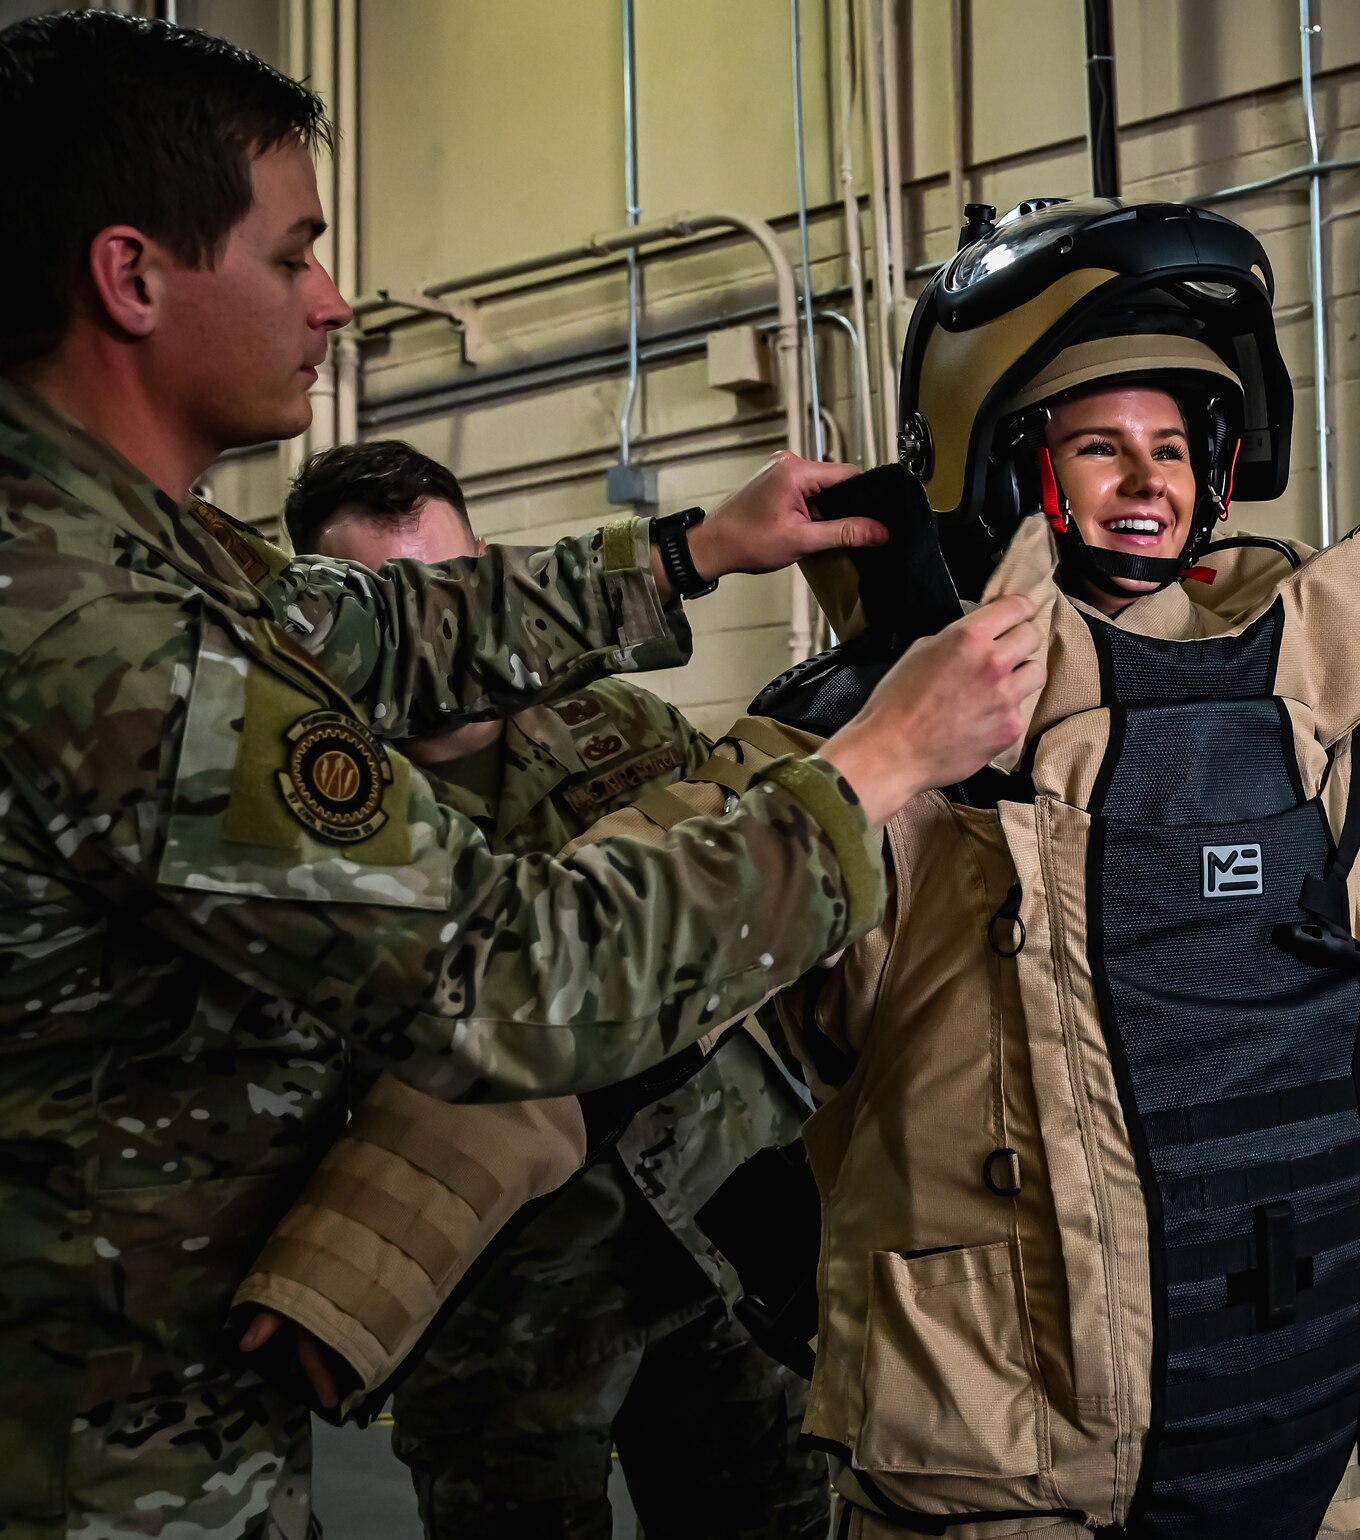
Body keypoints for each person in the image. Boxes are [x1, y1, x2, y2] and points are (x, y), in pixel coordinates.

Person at [596, 197, 1360, 1540]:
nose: (1148, 483)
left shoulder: (1307, 730)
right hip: (998, 1477)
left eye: (1174, 447)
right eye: (1101, 449)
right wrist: (339, 1287)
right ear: (1012, 465)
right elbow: (580, 979)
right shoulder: (879, 742)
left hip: (1292, 1450)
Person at [0, 13, 1041, 1539]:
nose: (336, 302)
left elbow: (392, 627)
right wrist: (874, 766)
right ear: (132, 276)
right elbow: (513, 979)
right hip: (97, 1451)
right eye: (294, 256)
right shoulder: (104, 640)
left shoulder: (132, 549)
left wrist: (697, 550)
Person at [265, 440, 824, 1540]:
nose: (442, 630)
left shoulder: (622, 726)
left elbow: (751, 929)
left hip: (711, 1225)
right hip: (497, 1294)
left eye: (456, 583)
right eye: (394, 604)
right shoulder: (308, 808)